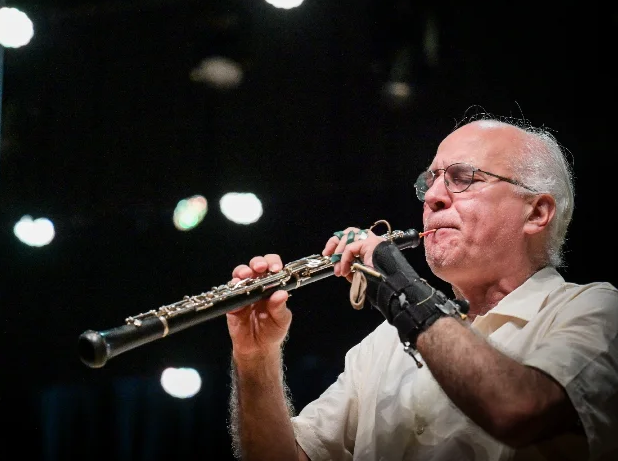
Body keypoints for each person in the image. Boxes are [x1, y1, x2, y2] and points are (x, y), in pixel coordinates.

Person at [226, 114, 618, 460]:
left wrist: (397, 285)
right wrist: (256, 356)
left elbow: (517, 409)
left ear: (536, 212)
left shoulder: (597, 311)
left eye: (463, 179)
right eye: (430, 181)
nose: (432, 197)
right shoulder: (384, 343)